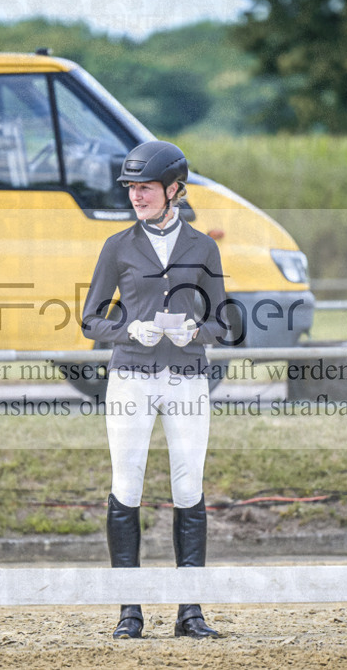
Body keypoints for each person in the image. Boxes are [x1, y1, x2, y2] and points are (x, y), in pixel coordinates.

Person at [81, 141, 227, 640]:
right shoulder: (117, 246)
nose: (136, 196)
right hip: (131, 379)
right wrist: (128, 331)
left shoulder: (204, 247)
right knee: (128, 485)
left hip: (187, 378)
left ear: (174, 190)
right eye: (132, 189)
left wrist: (197, 332)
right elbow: (89, 320)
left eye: (144, 188)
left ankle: (191, 611)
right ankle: (129, 610)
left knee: (188, 486)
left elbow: (223, 321)